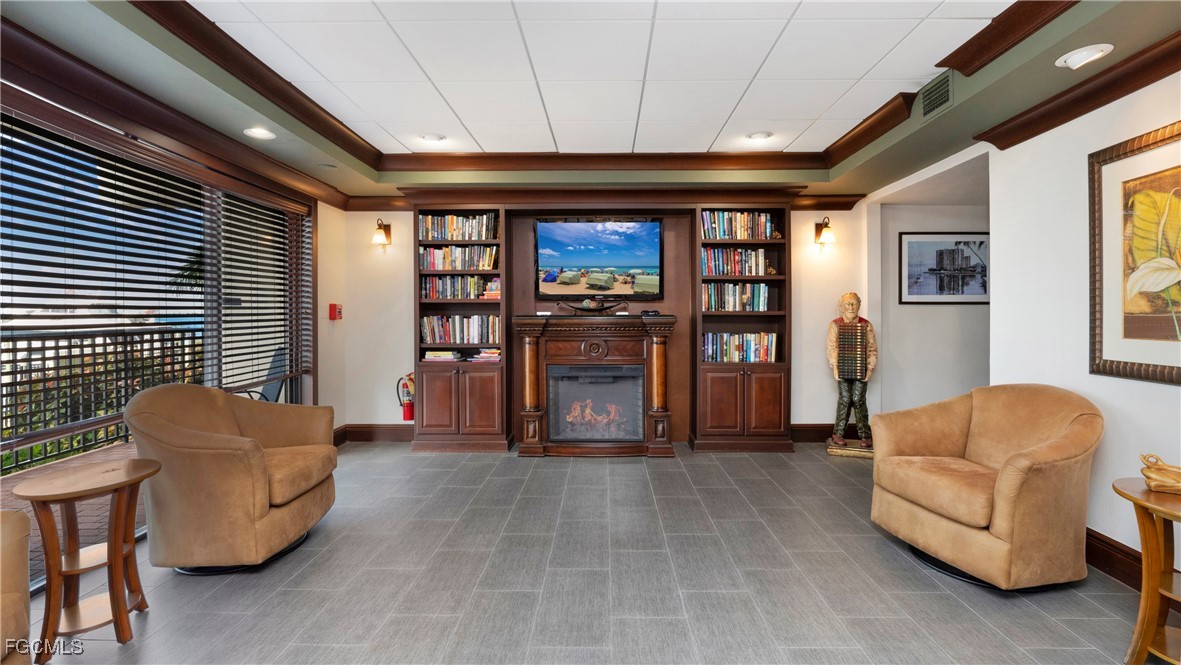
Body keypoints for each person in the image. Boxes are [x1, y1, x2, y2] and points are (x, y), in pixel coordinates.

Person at [826, 292, 877, 448]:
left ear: (859, 305)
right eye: (847, 304)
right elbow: (832, 347)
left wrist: (870, 369)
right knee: (845, 399)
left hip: (861, 369)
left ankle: (865, 435)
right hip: (842, 368)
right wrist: (835, 367)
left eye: (854, 303)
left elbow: (872, 349)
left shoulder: (866, 325)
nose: (851, 307)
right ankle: (838, 433)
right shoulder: (835, 325)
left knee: (858, 399)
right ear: (841, 307)